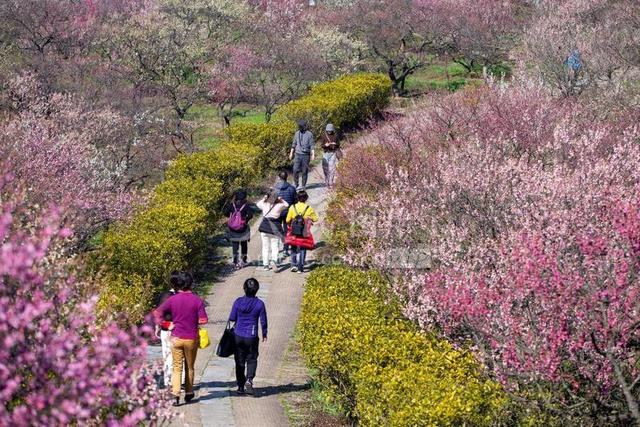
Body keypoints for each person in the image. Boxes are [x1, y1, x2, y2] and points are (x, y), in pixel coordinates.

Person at [154, 272, 208, 406]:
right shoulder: (197, 300)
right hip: (191, 338)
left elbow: (157, 313)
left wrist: (167, 324)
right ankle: (189, 392)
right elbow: (203, 319)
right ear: (190, 284)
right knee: (190, 366)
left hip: (175, 338)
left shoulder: (172, 299)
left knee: (176, 367)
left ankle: (175, 394)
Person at [229, 278, 268, 395]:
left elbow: (232, 318)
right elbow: (263, 321)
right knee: (252, 359)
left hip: (238, 335)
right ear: (257, 290)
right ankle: (249, 380)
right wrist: (264, 333)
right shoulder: (260, 304)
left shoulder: (238, 301)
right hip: (252, 335)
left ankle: (240, 386)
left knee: (239, 361)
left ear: (244, 288)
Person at [155, 271, 180, 389]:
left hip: (166, 328)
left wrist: (158, 326)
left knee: (167, 355)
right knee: (180, 356)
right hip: (179, 329)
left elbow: (158, 313)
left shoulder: (164, 295)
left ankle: (168, 381)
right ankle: (181, 380)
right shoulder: (183, 296)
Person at [286, 190, 319, 273]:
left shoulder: (292, 207)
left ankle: (293, 265)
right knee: (303, 248)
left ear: (297, 197)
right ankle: (300, 268)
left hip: (294, 230)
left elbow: (287, 220)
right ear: (306, 198)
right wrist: (308, 219)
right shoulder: (309, 208)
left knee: (293, 247)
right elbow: (315, 219)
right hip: (304, 231)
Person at [256, 192, 289, 271]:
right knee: (275, 246)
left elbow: (258, 204)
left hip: (264, 228)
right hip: (275, 229)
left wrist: (264, 198)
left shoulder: (264, 205)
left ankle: (265, 265)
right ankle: (274, 260)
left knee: (265, 247)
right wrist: (281, 199)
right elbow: (287, 205)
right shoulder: (279, 206)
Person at [223, 190, 254, 268]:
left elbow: (225, 212)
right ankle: (243, 261)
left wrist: (232, 218)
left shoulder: (232, 204)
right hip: (243, 228)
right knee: (244, 244)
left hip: (233, 228)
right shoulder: (246, 205)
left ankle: (235, 262)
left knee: (235, 245)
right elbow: (250, 215)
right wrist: (245, 220)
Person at [273, 171, 297, 257]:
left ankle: (276, 249)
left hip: (277, 212)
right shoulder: (291, 188)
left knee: (277, 230)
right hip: (288, 212)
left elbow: (271, 201)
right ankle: (286, 249)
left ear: (279, 177)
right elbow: (295, 201)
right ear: (287, 177)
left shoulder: (275, 188)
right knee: (287, 230)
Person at [289, 119, 315, 190]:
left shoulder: (309, 134)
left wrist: (313, 154)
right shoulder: (297, 133)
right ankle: (296, 184)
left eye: (301, 126)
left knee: (304, 171)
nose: (300, 127)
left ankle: (303, 185)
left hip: (306, 155)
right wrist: (291, 153)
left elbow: (312, 145)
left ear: (304, 126)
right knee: (295, 169)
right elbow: (294, 144)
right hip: (297, 155)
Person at [321, 123, 341, 189]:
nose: (329, 131)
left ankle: (331, 182)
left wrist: (335, 144)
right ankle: (326, 181)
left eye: (330, 130)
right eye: (328, 130)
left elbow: (338, 144)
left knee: (332, 168)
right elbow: (322, 145)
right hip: (326, 153)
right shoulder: (324, 135)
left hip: (333, 153)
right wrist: (325, 145)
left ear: (332, 130)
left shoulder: (336, 135)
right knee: (325, 168)